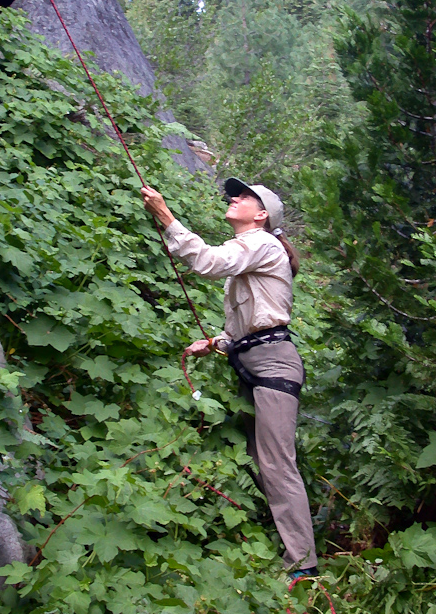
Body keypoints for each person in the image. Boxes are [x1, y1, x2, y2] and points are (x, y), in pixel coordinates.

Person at [141, 178, 318, 578]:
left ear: (262, 214)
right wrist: (217, 342)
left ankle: (304, 567)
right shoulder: (255, 248)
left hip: (273, 366)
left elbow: (207, 262)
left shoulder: (262, 243)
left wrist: (164, 215)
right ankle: (286, 544)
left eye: (244, 196)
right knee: (261, 459)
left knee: (277, 464)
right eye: (233, 194)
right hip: (254, 361)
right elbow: (253, 318)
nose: (233, 198)